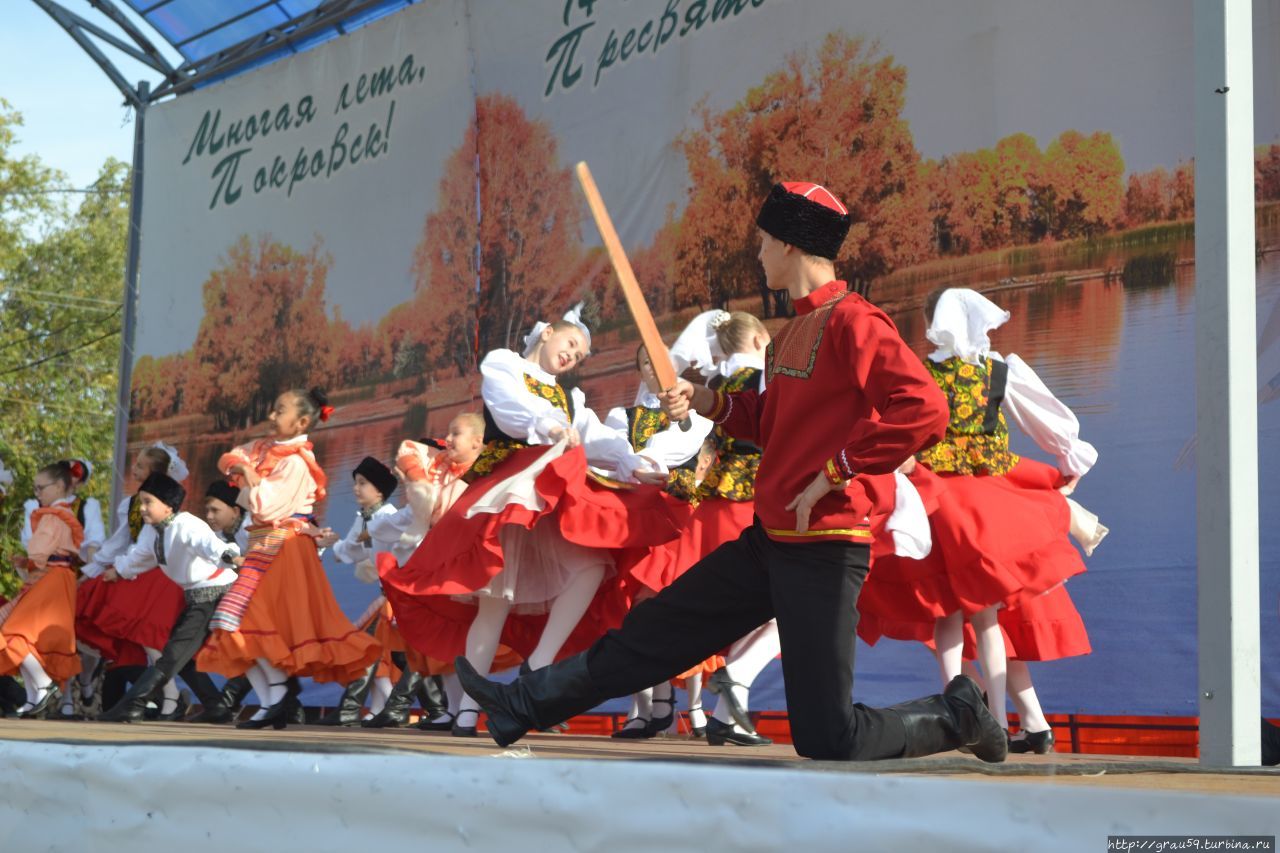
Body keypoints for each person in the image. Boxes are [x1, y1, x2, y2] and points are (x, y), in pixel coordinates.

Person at [454, 181, 1007, 762]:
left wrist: (836, 471)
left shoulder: (856, 322)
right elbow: (772, 421)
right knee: (652, 636)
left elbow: (924, 409)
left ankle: (959, 713)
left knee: (827, 736)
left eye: (765, 241)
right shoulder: (789, 334)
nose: (759, 252)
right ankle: (522, 705)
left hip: (825, 545)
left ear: (791, 245)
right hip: (769, 542)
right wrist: (706, 400)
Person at [382, 306, 678, 738]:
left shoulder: (568, 398)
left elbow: (593, 436)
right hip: (512, 488)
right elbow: (508, 409)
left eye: (579, 355)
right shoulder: (506, 365)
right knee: (494, 598)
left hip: (553, 491)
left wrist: (634, 462)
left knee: (593, 566)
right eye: (570, 344)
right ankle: (466, 711)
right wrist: (548, 424)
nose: (572, 356)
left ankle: (538, 665)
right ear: (546, 336)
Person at [196, 387, 379, 729]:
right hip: (265, 548)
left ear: (302, 422)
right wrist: (242, 467)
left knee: (240, 621)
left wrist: (246, 479)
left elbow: (266, 506)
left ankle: (277, 696)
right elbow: (230, 457)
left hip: (283, 549)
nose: (271, 417)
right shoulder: (266, 449)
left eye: (279, 410)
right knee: (233, 623)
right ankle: (273, 699)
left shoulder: (295, 462)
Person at [97, 473, 243, 722]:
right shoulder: (152, 532)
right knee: (180, 657)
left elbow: (209, 545)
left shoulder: (187, 525)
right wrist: (118, 571)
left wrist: (231, 555)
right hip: (196, 597)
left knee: (173, 655)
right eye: (141, 502)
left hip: (215, 593)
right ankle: (216, 708)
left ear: (168, 504)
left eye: (148, 502)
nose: (142, 508)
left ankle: (133, 704)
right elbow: (140, 557)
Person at [74, 443, 188, 720]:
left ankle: (170, 697)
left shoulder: (158, 503)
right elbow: (120, 542)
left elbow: (146, 545)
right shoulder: (133, 503)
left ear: (153, 470)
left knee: (149, 637)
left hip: (154, 575)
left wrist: (114, 569)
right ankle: (159, 698)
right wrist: (94, 569)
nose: (133, 469)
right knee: (140, 639)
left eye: (139, 465)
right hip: (138, 571)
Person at [313, 455, 403, 725]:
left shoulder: (388, 516)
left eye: (362, 483)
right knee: (378, 653)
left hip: (397, 597)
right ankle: (379, 708)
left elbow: (375, 546)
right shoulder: (363, 517)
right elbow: (350, 551)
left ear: (379, 490)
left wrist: (360, 539)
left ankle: (354, 709)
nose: (356, 488)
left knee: (372, 649)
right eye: (355, 482)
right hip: (386, 595)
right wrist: (331, 541)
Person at [0, 462, 84, 717]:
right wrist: (28, 564)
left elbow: (40, 552)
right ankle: (34, 695)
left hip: (51, 579)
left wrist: (29, 561)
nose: (37, 493)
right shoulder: (62, 513)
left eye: (41, 488)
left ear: (59, 486)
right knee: (24, 636)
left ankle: (42, 686)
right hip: (57, 578)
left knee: (13, 632)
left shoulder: (52, 515)